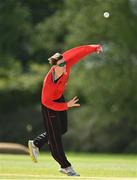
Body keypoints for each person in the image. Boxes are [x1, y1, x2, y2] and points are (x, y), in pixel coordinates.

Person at [28, 44, 103, 176]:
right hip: (49, 105)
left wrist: (94, 48)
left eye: (64, 63)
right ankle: (65, 166)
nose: (65, 66)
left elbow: (78, 52)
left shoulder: (65, 64)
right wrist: (66, 105)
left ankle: (36, 143)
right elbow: (47, 102)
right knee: (55, 137)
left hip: (59, 99)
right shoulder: (48, 84)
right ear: (54, 67)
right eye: (61, 65)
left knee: (62, 129)